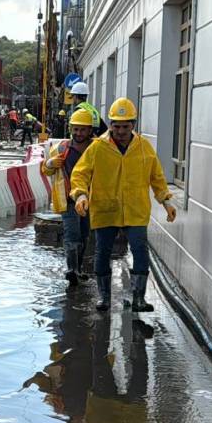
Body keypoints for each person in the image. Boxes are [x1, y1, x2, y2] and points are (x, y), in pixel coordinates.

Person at [70, 97, 177, 312]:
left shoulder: (143, 147)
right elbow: (80, 174)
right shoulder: (98, 147)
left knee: (140, 249)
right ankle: (104, 298)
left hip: (135, 209)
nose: (120, 131)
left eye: (125, 126)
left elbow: (156, 176)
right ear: (110, 125)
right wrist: (81, 195)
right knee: (103, 251)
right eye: (116, 126)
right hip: (105, 208)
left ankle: (139, 298)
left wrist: (166, 201)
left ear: (133, 125)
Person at [42, 108, 95, 287]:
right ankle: (72, 270)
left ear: (90, 130)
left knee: (84, 234)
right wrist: (49, 164)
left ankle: (78, 268)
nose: (78, 133)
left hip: (89, 200)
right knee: (72, 234)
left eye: (82, 129)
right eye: (75, 129)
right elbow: (46, 170)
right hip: (68, 200)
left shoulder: (96, 149)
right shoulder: (62, 148)